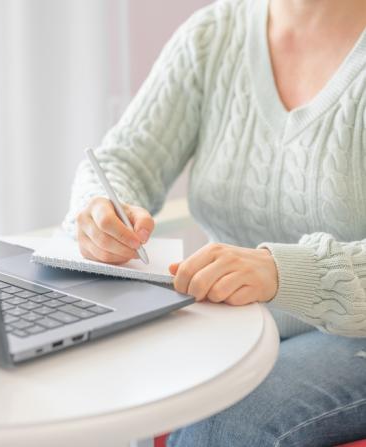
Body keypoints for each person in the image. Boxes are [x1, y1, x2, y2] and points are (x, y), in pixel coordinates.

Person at [62, 0, 366, 444]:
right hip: (230, 321)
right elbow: (121, 159)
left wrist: (283, 272)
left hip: (352, 335)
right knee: (80, 371)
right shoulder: (213, 34)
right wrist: (101, 209)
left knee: (224, 421)